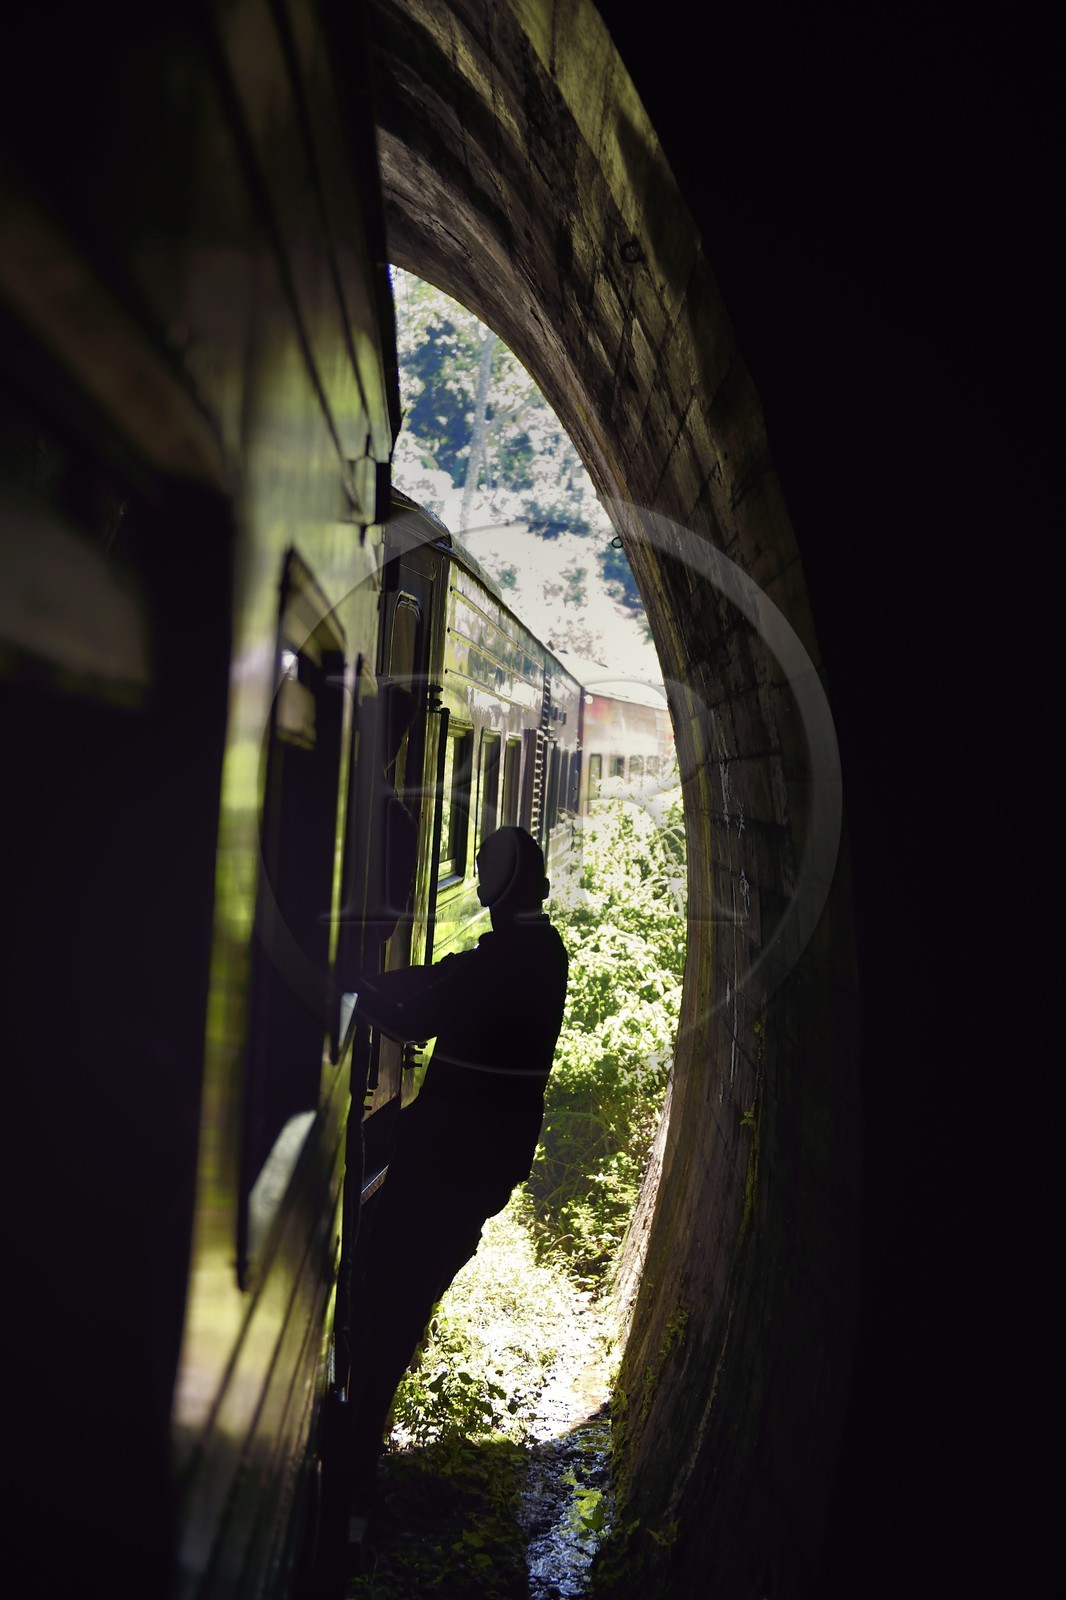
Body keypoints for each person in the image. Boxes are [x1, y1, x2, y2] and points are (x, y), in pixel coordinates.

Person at [345, 825, 569, 1512]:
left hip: (450, 1157)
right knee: (403, 1296)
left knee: (389, 1298)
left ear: (494, 889)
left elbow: (419, 1014)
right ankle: (360, 1451)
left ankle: (353, 1470)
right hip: (483, 1160)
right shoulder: (541, 952)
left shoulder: (502, 963)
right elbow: (450, 978)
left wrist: (349, 986)